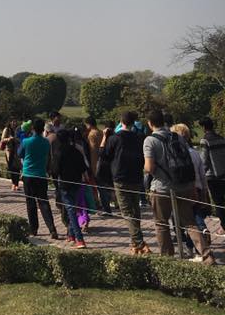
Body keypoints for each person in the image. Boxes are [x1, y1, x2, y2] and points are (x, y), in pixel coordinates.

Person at [143, 108, 214, 263]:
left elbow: (149, 167)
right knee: (190, 223)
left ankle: (167, 259)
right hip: (183, 185)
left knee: (161, 224)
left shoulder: (150, 140)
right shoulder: (178, 137)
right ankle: (207, 255)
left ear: (150, 123)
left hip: (162, 187)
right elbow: (188, 162)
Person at [101, 111, 150, 255]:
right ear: (133, 123)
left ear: (121, 122)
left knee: (127, 212)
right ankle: (135, 243)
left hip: (120, 177)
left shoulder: (115, 138)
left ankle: (140, 242)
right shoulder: (139, 138)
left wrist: (104, 138)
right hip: (136, 177)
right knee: (135, 210)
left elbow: (104, 155)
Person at [171, 123, 211, 254]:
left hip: (184, 188)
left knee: (187, 220)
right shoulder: (194, 153)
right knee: (195, 214)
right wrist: (204, 190)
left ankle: (190, 246)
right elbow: (202, 174)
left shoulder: (176, 154)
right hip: (197, 187)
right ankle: (201, 231)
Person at [18, 117, 58, 239]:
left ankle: (33, 229)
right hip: (41, 174)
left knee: (31, 203)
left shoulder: (26, 141)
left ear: (32, 128)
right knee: (44, 202)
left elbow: (19, 153)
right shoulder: (46, 142)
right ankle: (52, 228)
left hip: (28, 174)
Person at [49, 129, 87, 247]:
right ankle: (71, 234)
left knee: (71, 210)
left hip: (65, 184)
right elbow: (83, 168)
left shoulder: (58, 152)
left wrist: (56, 182)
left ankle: (79, 239)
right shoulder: (76, 151)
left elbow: (54, 171)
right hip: (76, 183)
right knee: (72, 209)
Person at [200, 116, 225, 235]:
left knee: (218, 202)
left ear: (204, 127)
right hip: (223, 173)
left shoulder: (205, 141)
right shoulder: (221, 139)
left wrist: (201, 174)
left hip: (213, 176)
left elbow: (204, 160)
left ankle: (223, 226)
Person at [84, 117, 111, 214]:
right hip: (104, 162)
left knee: (100, 187)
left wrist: (92, 166)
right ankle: (106, 205)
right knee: (104, 186)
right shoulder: (101, 132)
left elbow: (93, 151)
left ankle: (106, 208)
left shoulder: (91, 134)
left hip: (96, 163)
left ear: (89, 124)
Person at [1, 120, 22, 191]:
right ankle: (13, 184)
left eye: (15, 121)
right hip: (10, 150)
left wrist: (17, 140)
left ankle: (17, 184)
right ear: (10, 122)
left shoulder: (18, 129)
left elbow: (20, 138)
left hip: (17, 150)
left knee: (17, 168)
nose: (14, 123)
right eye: (13, 121)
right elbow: (2, 139)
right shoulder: (7, 129)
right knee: (12, 168)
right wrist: (9, 139)